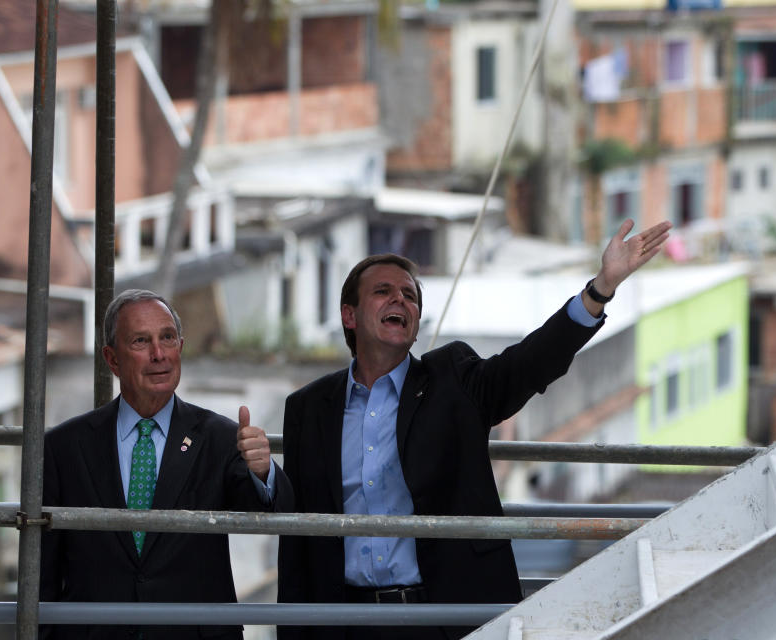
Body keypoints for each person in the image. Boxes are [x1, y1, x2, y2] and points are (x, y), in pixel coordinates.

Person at [277, 219, 672, 640]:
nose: (401, 299)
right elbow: (297, 532)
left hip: (445, 615)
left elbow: (529, 364)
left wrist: (599, 289)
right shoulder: (309, 407)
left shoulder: (452, 379)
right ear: (349, 316)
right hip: (345, 623)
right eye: (383, 291)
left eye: (409, 296)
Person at [41, 289, 293, 640]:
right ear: (112, 359)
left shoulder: (220, 437)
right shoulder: (65, 446)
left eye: (168, 338)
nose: (159, 355)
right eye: (141, 341)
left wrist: (263, 471)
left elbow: (272, 511)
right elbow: (44, 575)